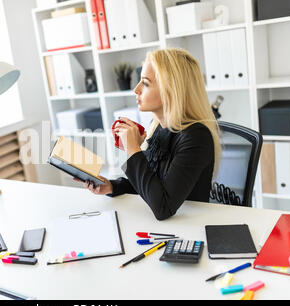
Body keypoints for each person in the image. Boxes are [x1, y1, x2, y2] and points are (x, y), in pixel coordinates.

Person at [76, 48, 221, 220]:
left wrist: (133, 150)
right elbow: (151, 184)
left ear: (171, 90)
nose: (136, 89)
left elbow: (163, 207)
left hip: (189, 226)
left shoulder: (196, 137)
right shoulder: (158, 126)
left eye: (145, 83)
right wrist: (112, 187)